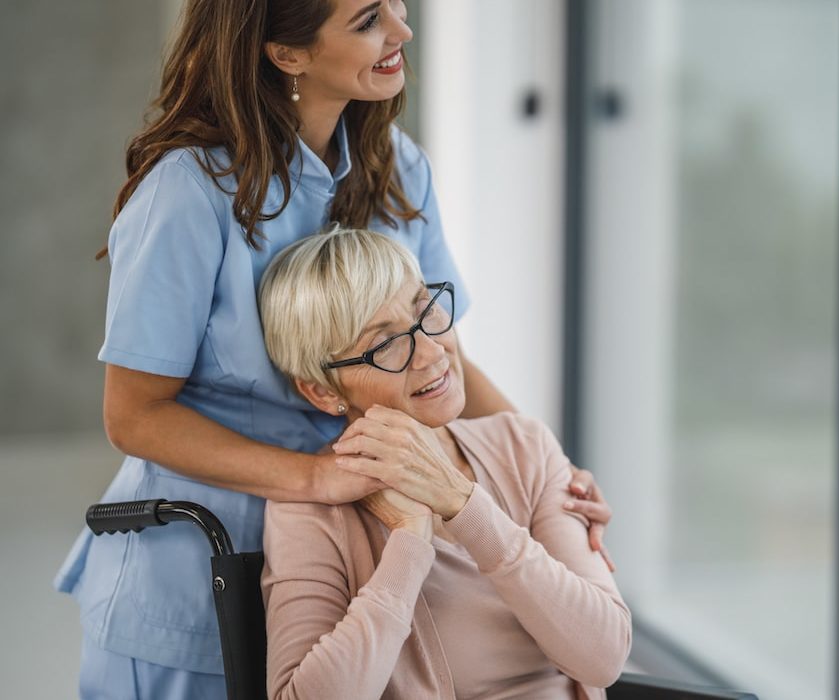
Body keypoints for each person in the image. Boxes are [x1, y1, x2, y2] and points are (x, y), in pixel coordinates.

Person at [57, 1, 611, 697]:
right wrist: (316, 481)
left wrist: (554, 475)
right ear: (287, 53)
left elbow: (443, 359)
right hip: (205, 565)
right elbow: (134, 416)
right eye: (368, 20)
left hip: (361, 553)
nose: (402, 30)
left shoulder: (396, 166)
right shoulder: (188, 193)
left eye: (395, 5)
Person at [257, 227, 630, 699]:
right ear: (322, 391)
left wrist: (463, 504)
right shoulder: (309, 511)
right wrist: (409, 541)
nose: (433, 352)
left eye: (425, 310)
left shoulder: (524, 446)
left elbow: (605, 655)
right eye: (386, 344)